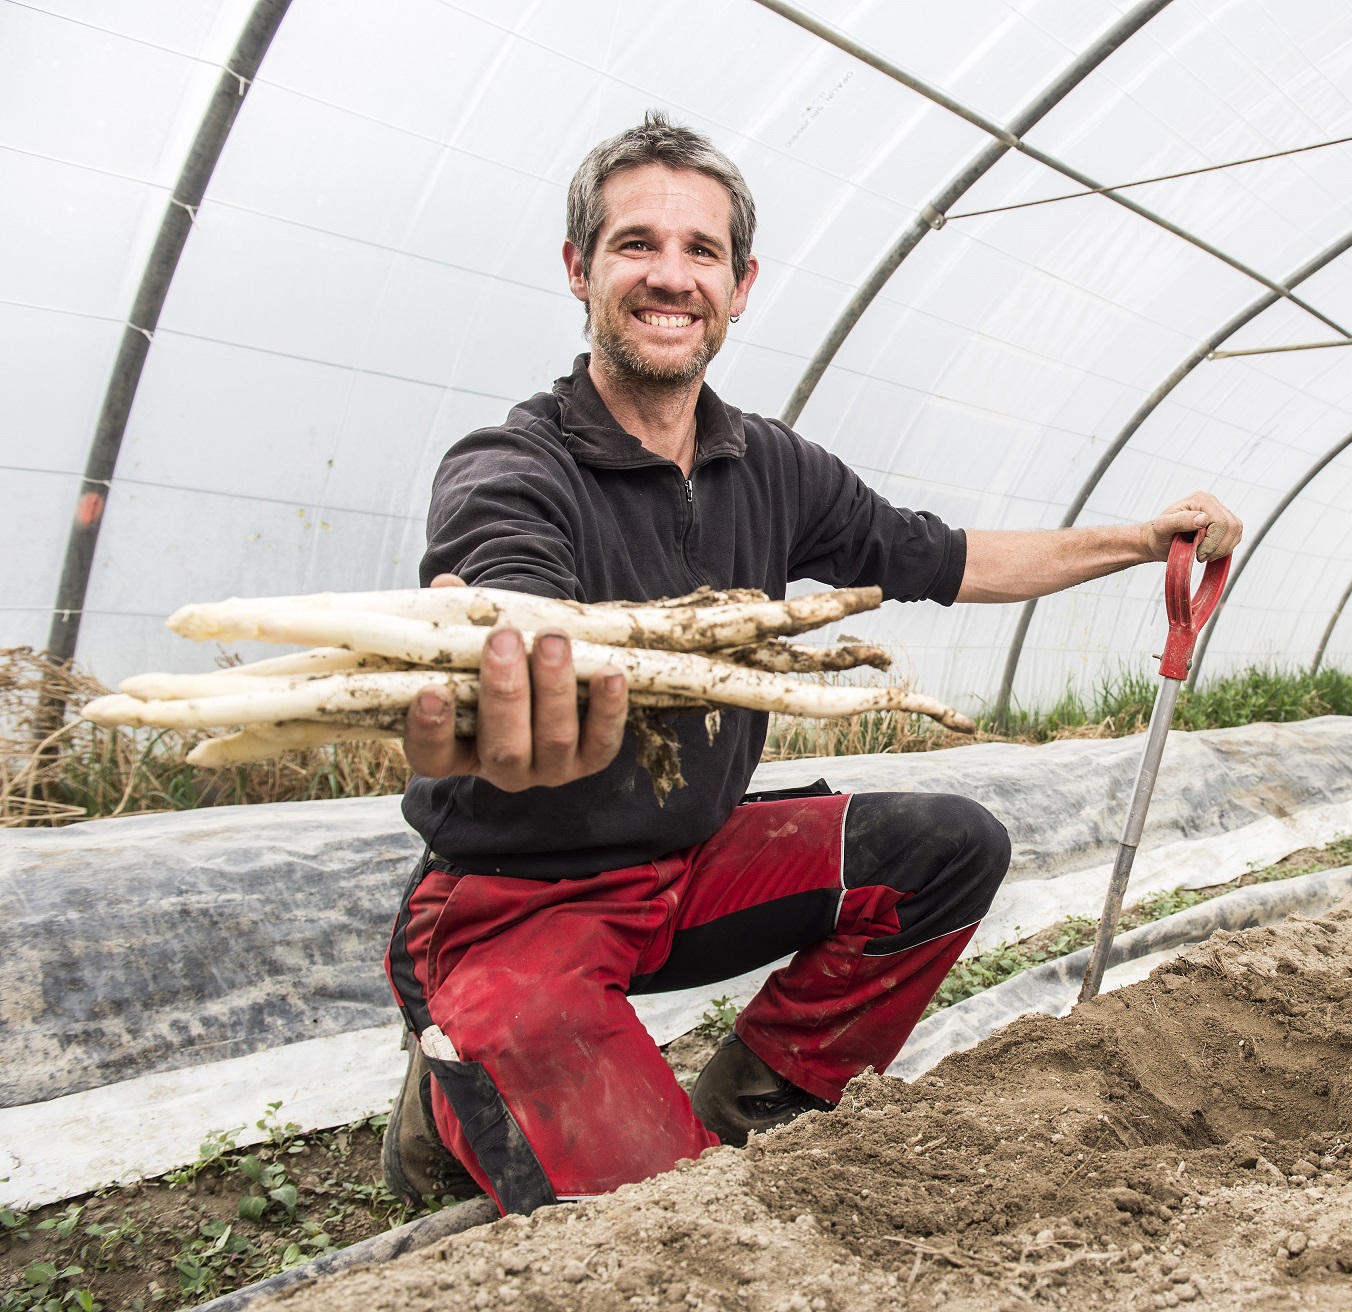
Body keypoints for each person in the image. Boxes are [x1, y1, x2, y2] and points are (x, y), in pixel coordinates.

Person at [381, 111, 1243, 1216]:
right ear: (578, 269)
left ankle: (755, 1111)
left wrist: (1140, 538)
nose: (670, 276)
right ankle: (454, 1088)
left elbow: (952, 557)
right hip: (515, 904)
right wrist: (506, 645)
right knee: (666, 1222)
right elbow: (504, 577)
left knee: (945, 847)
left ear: (741, 286)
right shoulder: (515, 465)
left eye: (702, 252)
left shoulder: (768, 465)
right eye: (636, 243)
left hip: (682, 868)